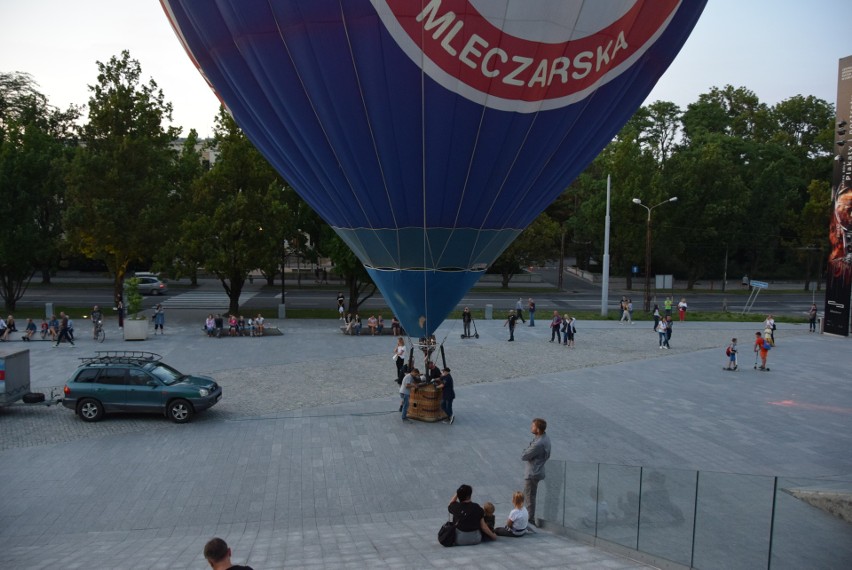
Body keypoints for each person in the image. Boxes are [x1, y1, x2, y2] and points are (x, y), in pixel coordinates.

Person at [522, 418, 551, 527]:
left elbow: (524, 456)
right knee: (531, 495)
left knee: (529, 496)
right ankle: (530, 518)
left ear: (538, 429)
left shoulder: (538, 444)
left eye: (533, 426)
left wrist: (526, 450)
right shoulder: (546, 438)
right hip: (538, 470)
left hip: (532, 473)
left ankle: (530, 520)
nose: (531, 427)